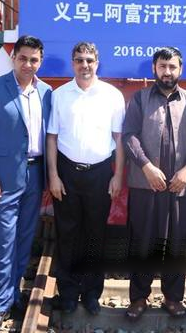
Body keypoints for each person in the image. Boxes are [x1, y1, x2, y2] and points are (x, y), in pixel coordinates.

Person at [122, 47, 186, 320]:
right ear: (154, 69)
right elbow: (129, 136)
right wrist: (146, 167)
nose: (167, 72)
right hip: (145, 184)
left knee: (177, 242)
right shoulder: (139, 99)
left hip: (180, 186)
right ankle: (138, 298)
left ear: (180, 70)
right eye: (162, 66)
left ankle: (173, 298)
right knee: (142, 241)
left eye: (172, 67)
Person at [0, 35, 52, 331]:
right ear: (13, 59)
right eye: (23, 58)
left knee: (24, 238)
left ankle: (16, 295)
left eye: (34, 60)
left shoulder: (46, 92)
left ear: (40, 61)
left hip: (35, 174)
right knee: (3, 240)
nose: (28, 64)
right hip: (4, 178)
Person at [46, 41, 125, 315]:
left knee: (95, 235)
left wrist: (118, 177)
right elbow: (52, 138)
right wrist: (53, 175)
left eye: (90, 60)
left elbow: (119, 139)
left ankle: (92, 293)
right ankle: (68, 292)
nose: (85, 65)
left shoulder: (112, 96)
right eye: (79, 60)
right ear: (72, 63)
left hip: (101, 173)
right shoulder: (59, 95)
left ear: (97, 62)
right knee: (67, 234)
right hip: (67, 172)